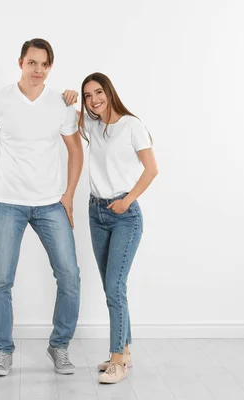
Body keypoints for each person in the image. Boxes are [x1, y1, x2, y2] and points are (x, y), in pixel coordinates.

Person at [0, 38, 83, 377]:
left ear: (50, 67)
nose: (38, 70)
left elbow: (75, 151)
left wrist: (68, 195)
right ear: (21, 62)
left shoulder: (61, 103)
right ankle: (2, 351)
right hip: (8, 204)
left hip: (50, 204)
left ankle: (59, 346)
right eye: (32, 63)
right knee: (1, 280)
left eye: (44, 64)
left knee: (70, 277)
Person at [78, 72, 158, 384]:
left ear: (109, 92)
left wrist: (128, 201)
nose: (94, 100)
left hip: (125, 215)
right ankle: (124, 350)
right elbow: (63, 117)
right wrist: (68, 98)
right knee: (113, 287)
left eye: (98, 92)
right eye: (88, 96)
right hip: (96, 212)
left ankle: (116, 361)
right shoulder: (92, 126)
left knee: (114, 287)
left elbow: (152, 170)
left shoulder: (131, 125)